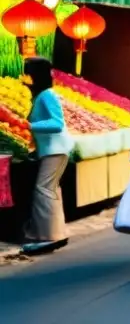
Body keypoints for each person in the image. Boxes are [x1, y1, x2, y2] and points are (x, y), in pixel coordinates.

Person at [21, 58, 74, 255]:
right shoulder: (41, 95)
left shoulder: (47, 95)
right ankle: (54, 233)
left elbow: (57, 123)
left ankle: (48, 237)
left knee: (43, 190)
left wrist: (29, 126)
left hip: (55, 149)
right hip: (52, 149)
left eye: (27, 73)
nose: (25, 78)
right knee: (50, 190)